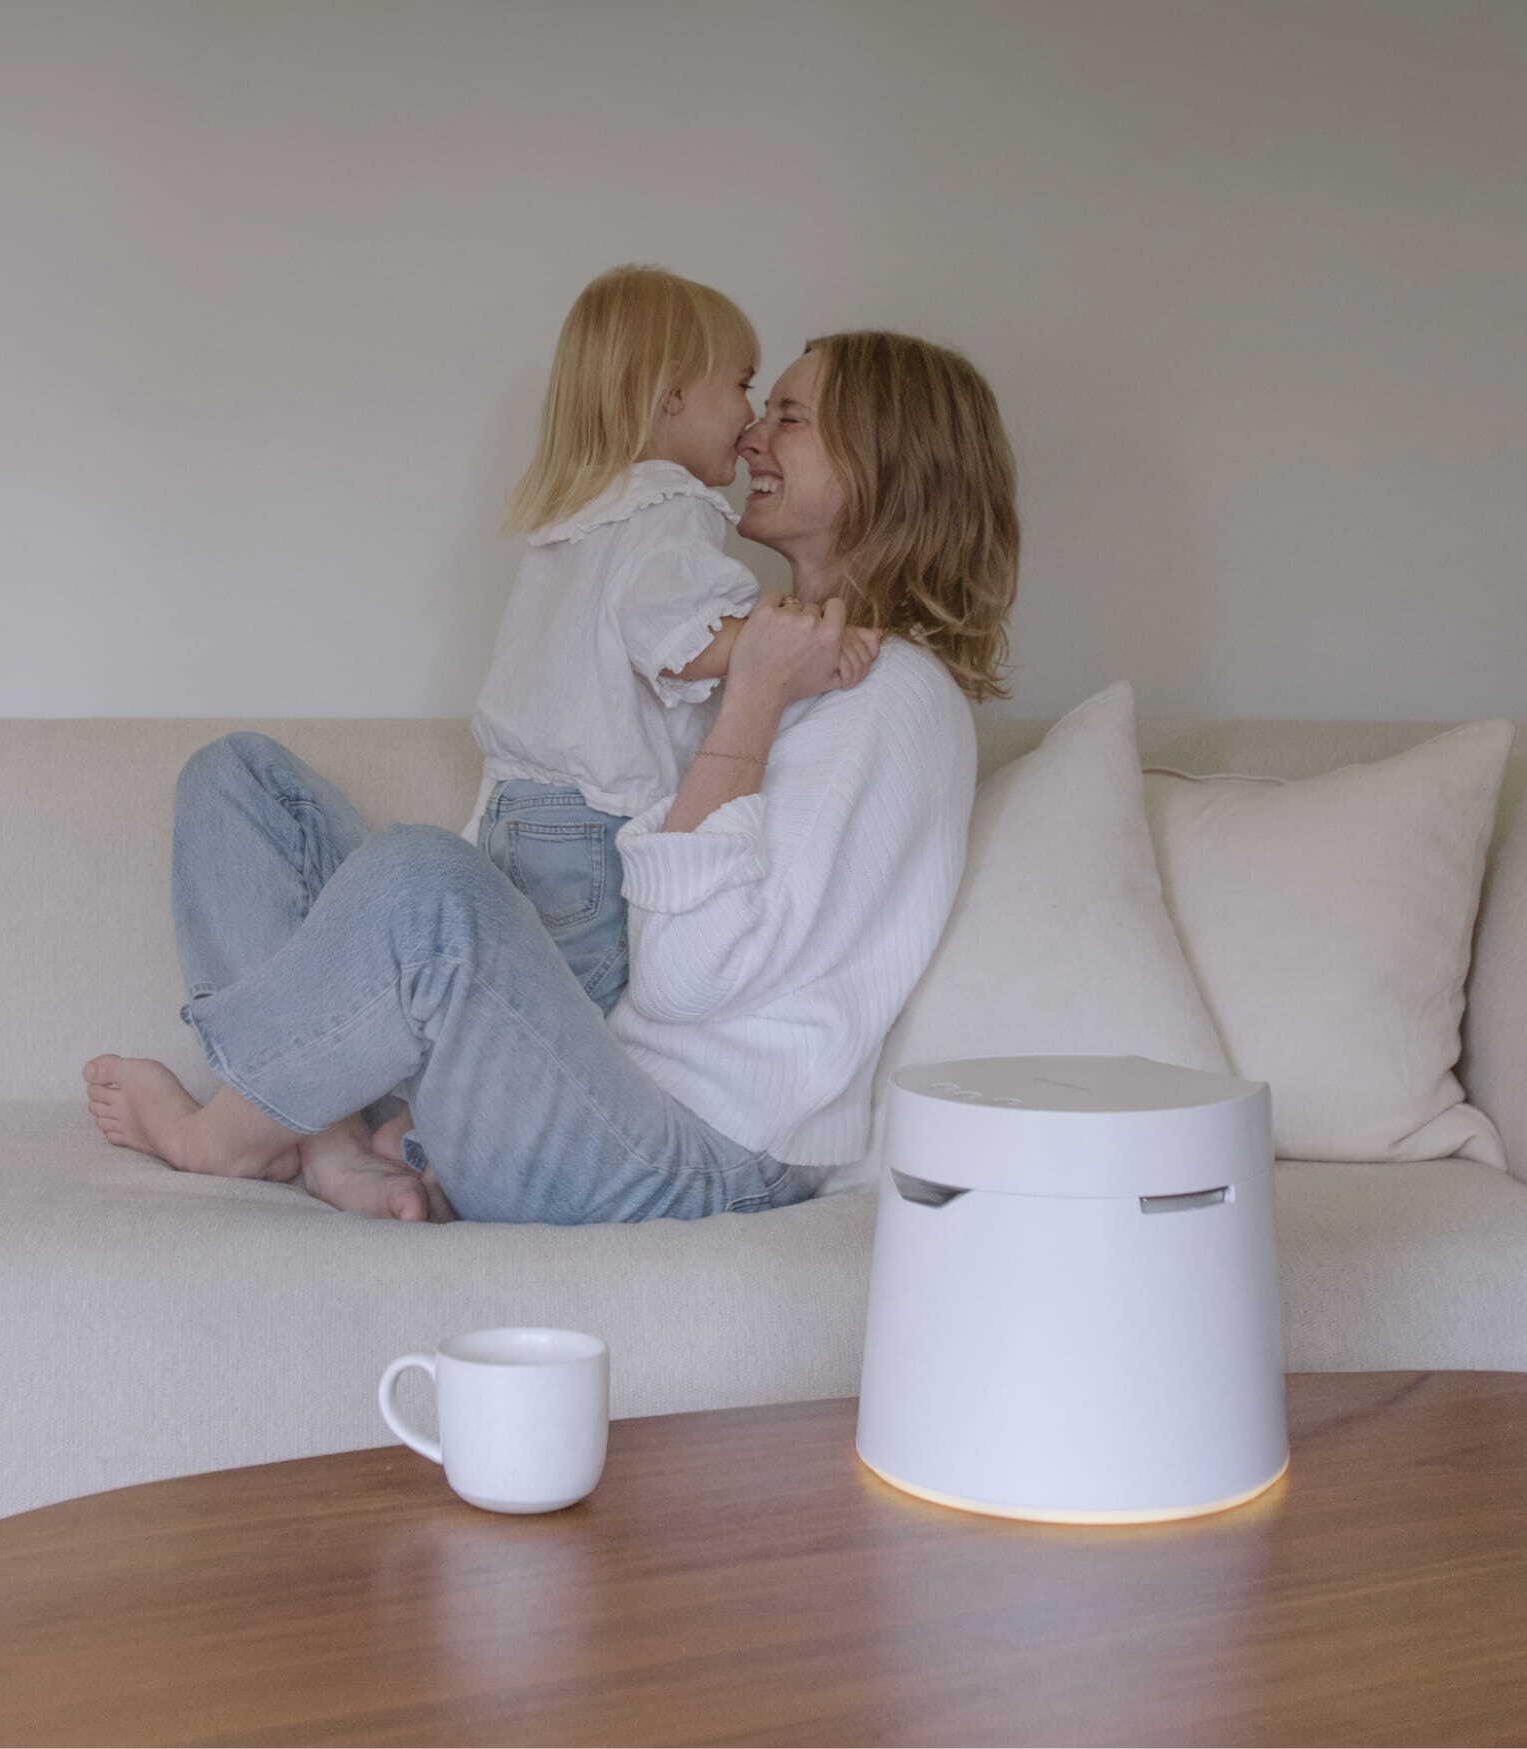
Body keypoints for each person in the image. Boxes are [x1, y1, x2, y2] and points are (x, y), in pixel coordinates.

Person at [84, 330, 1021, 1226]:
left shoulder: (893, 697)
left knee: (422, 883)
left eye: (789, 415)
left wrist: (753, 700)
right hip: (592, 1077)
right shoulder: (759, 645)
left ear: (884, 464)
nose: (750, 434)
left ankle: (222, 1135)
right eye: (759, 406)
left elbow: (690, 977)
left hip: (695, 1154)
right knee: (242, 783)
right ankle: (328, 1141)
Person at [464, 262, 879, 1023]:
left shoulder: (582, 508)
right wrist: (794, 641)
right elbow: (678, 640)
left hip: (510, 810)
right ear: (673, 396)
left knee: (503, 1009)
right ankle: (454, 1133)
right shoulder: (672, 503)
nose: (750, 422)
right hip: (590, 823)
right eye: (745, 387)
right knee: (570, 1029)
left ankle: (424, 1119)